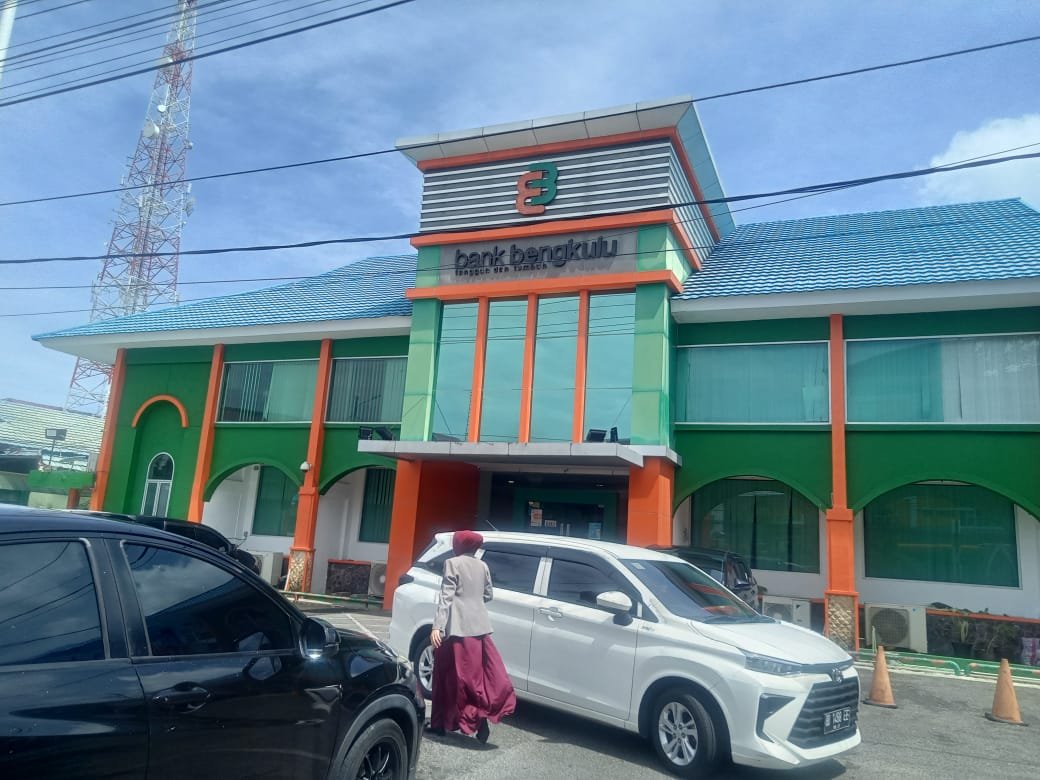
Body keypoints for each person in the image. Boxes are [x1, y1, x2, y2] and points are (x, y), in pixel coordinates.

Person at [427, 530, 516, 742]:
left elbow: (445, 598)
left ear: (458, 544)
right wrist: (473, 603)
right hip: (479, 629)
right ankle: (477, 719)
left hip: (455, 630)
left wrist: (436, 627)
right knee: (475, 678)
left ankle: (444, 723)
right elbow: (488, 595)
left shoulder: (452, 563)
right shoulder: (483, 565)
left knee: (447, 676)